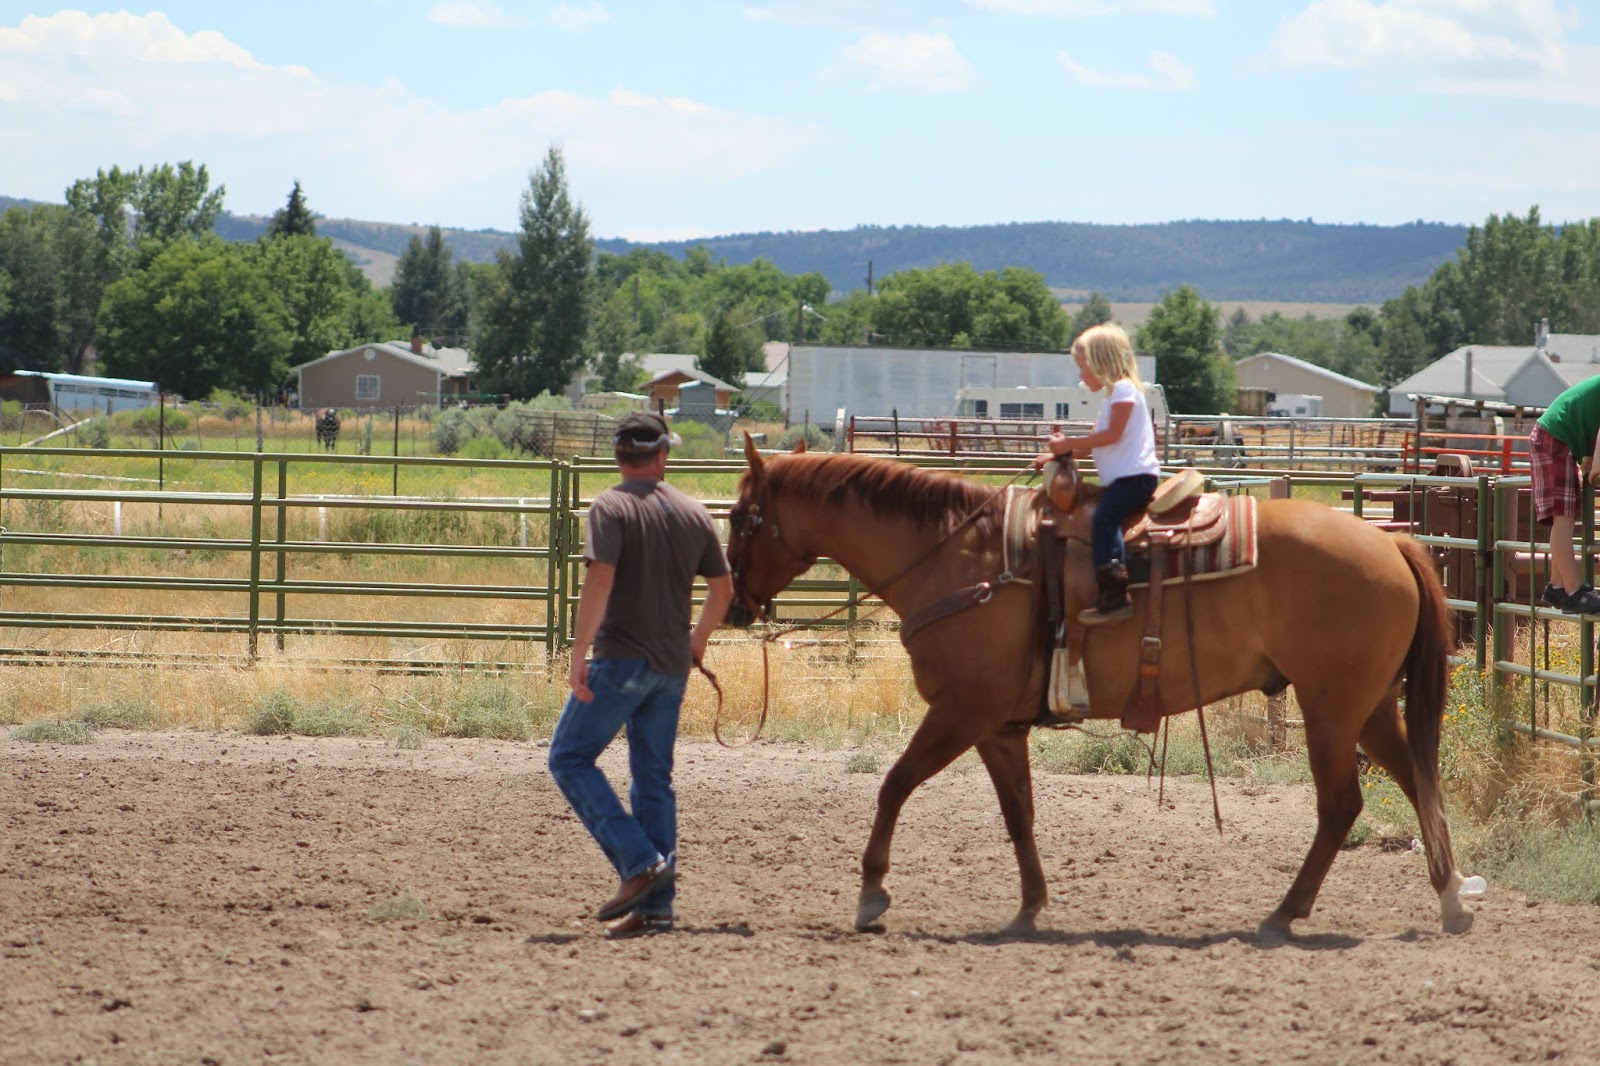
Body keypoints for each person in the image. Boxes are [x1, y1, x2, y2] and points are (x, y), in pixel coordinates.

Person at [547, 411, 734, 937]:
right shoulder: (695, 513)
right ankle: (657, 908)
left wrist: (578, 651)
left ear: (618, 457)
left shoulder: (610, 507)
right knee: (653, 780)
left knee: (569, 757)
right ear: (661, 456)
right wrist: (694, 645)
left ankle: (639, 863)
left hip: (620, 660)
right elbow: (723, 592)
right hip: (670, 669)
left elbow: (601, 577)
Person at [1032, 323, 1160, 625]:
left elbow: (1112, 435)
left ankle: (1115, 590)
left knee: (1104, 518)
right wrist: (1057, 455)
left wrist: (1069, 443)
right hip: (1126, 478)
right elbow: (1091, 447)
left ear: (1101, 362)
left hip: (1135, 478)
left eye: (1083, 367)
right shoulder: (1113, 397)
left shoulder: (1125, 392)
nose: (1081, 375)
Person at [1530, 377, 1600, 615]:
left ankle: (1557, 585)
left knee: (1565, 517)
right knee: (1564, 519)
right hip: (1556, 438)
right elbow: (1596, 463)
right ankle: (1573, 591)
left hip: (1554, 434)